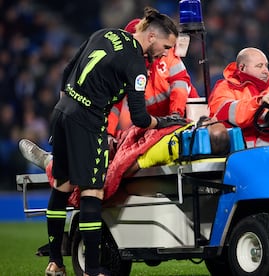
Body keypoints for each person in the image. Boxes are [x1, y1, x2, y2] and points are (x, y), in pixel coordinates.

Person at [19, 7, 186, 276]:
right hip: (89, 122)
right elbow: (142, 118)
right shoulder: (136, 63)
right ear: (152, 36)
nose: (166, 53)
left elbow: (67, 69)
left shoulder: (105, 34)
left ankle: (54, 263)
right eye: (166, 46)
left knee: (61, 186)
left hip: (62, 112)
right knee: (92, 193)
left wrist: (70, 106)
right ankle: (92, 270)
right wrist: (164, 123)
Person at [19, 117, 230, 178]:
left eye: (212, 122)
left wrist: (111, 170)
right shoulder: (187, 131)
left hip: (128, 146)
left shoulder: (169, 146)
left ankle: (51, 161)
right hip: (137, 134)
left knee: (97, 150)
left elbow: (129, 165)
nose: (212, 118)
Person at [107, 18, 199, 138]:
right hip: (156, 124)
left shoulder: (167, 54)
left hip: (186, 115)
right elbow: (115, 105)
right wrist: (108, 134)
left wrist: (176, 115)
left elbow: (180, 84)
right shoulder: (127, 68)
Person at [208, 47, 269, 147]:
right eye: (259, 66)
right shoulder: (225, 87)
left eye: (266, 66)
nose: (266, 71)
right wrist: (258, 103)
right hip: (241, 154)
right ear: (242, 68)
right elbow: (223, 114)